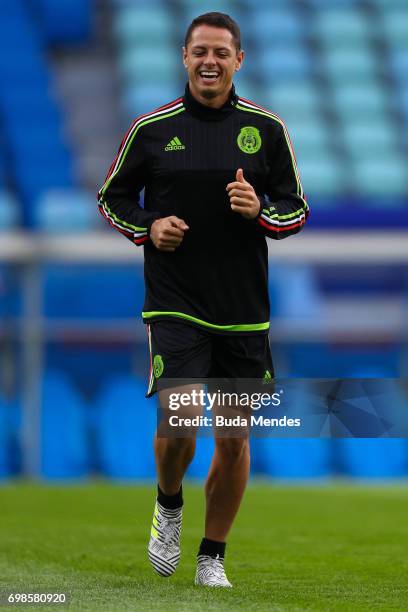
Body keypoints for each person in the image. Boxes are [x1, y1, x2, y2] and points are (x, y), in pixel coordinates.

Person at [98, 12, 309, 588]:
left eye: (221, 52)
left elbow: (296, 209)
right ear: (184, 58)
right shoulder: (151, 129)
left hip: (243, 311)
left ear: (239, 59)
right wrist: (149, 227)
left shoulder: (266, 129)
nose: (210, 62)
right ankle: (169, 506)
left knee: (235, 437)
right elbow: (112, 199)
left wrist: (259, 210)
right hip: (175, 302)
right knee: (181, 423)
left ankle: (212, 555)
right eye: (200, 52)